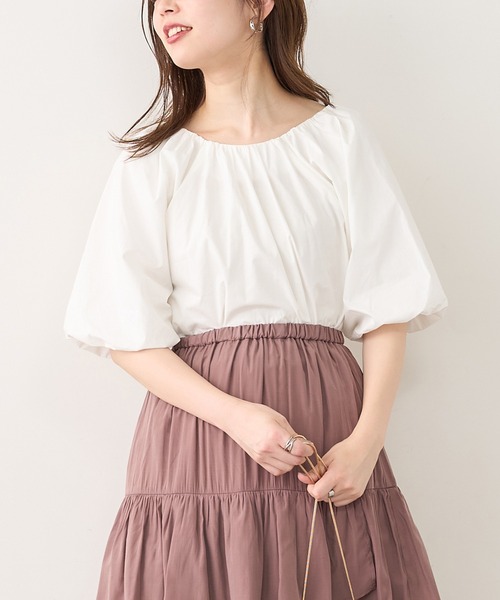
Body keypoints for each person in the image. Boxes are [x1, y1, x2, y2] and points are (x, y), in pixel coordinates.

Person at [63, 0, 448, 598]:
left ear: (259, 5)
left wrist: (366, 444)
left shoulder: (338, 139)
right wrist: (236, 418)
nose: (164, 8)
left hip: (330, 430)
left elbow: (388, 304)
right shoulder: (155, 161)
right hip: (200, 434)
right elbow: (125, 332)